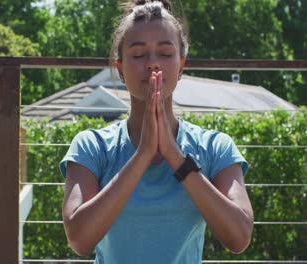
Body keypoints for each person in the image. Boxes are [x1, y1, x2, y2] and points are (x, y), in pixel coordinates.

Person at [59, 0, 254, 263]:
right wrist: (142, 155)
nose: (152, 64)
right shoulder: (91, 146)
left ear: (181, 65)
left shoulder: (215, 146)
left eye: (165, 53)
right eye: (138, 55)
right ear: (120, 69)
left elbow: (239, 237)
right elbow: (79, 239)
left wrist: (175, 157)